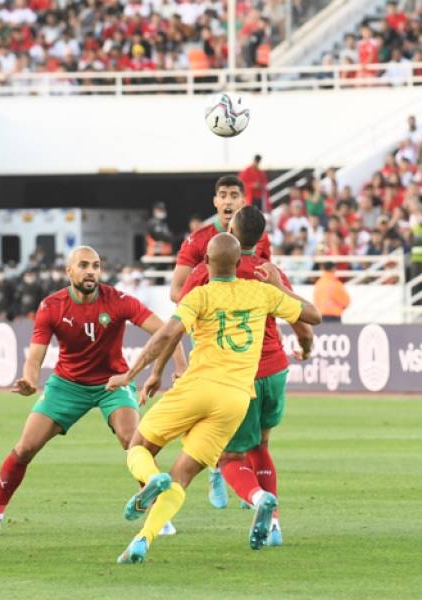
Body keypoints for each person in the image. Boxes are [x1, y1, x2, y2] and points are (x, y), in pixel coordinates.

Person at [106, 233, 321, 563]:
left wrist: (134, 374)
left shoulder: (200, 295)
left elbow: (167, 334)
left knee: (138, 446)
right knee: (185, 475)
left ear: (205, 263)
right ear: (238, 263)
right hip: (234, 399)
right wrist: (279, 286)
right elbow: (314, 316)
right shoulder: (262, 292)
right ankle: (142, 539)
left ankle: (151, 482)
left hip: (197, 387)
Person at [0, 246, 186, 537]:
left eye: (96, 266)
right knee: (24, 448)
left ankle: (159, 512)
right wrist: (28, 380)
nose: (91, 271)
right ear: (68, 271)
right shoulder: (52, 306)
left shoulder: (119, 301)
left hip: (112, 383)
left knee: (134, 442)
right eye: (84, 265)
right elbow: (35, 357)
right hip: (67, 385)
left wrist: (180, 366)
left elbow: (167, 331)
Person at [180, 206, 314, 544]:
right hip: (275, 368)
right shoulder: (271, 272)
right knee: (262, 446)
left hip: (237, 374)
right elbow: (303, 323)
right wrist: (306, 349)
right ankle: (276, 526)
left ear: (231, 231)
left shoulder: (208, 269)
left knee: (229, 456)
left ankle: (257, 498)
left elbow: (181, 319)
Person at [168, 175, 272, 504]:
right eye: (222, 195)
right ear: (215, 202)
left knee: (251, 421)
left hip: (246, 339)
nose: (228, 201)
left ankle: (246, 482)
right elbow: (176, 290)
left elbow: (265, 277)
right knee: (214, 406)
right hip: (211, 334)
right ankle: (219, 470)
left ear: (242, 201)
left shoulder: (258, 235)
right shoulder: (199, 240)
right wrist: (206, 298)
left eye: (234, 195)